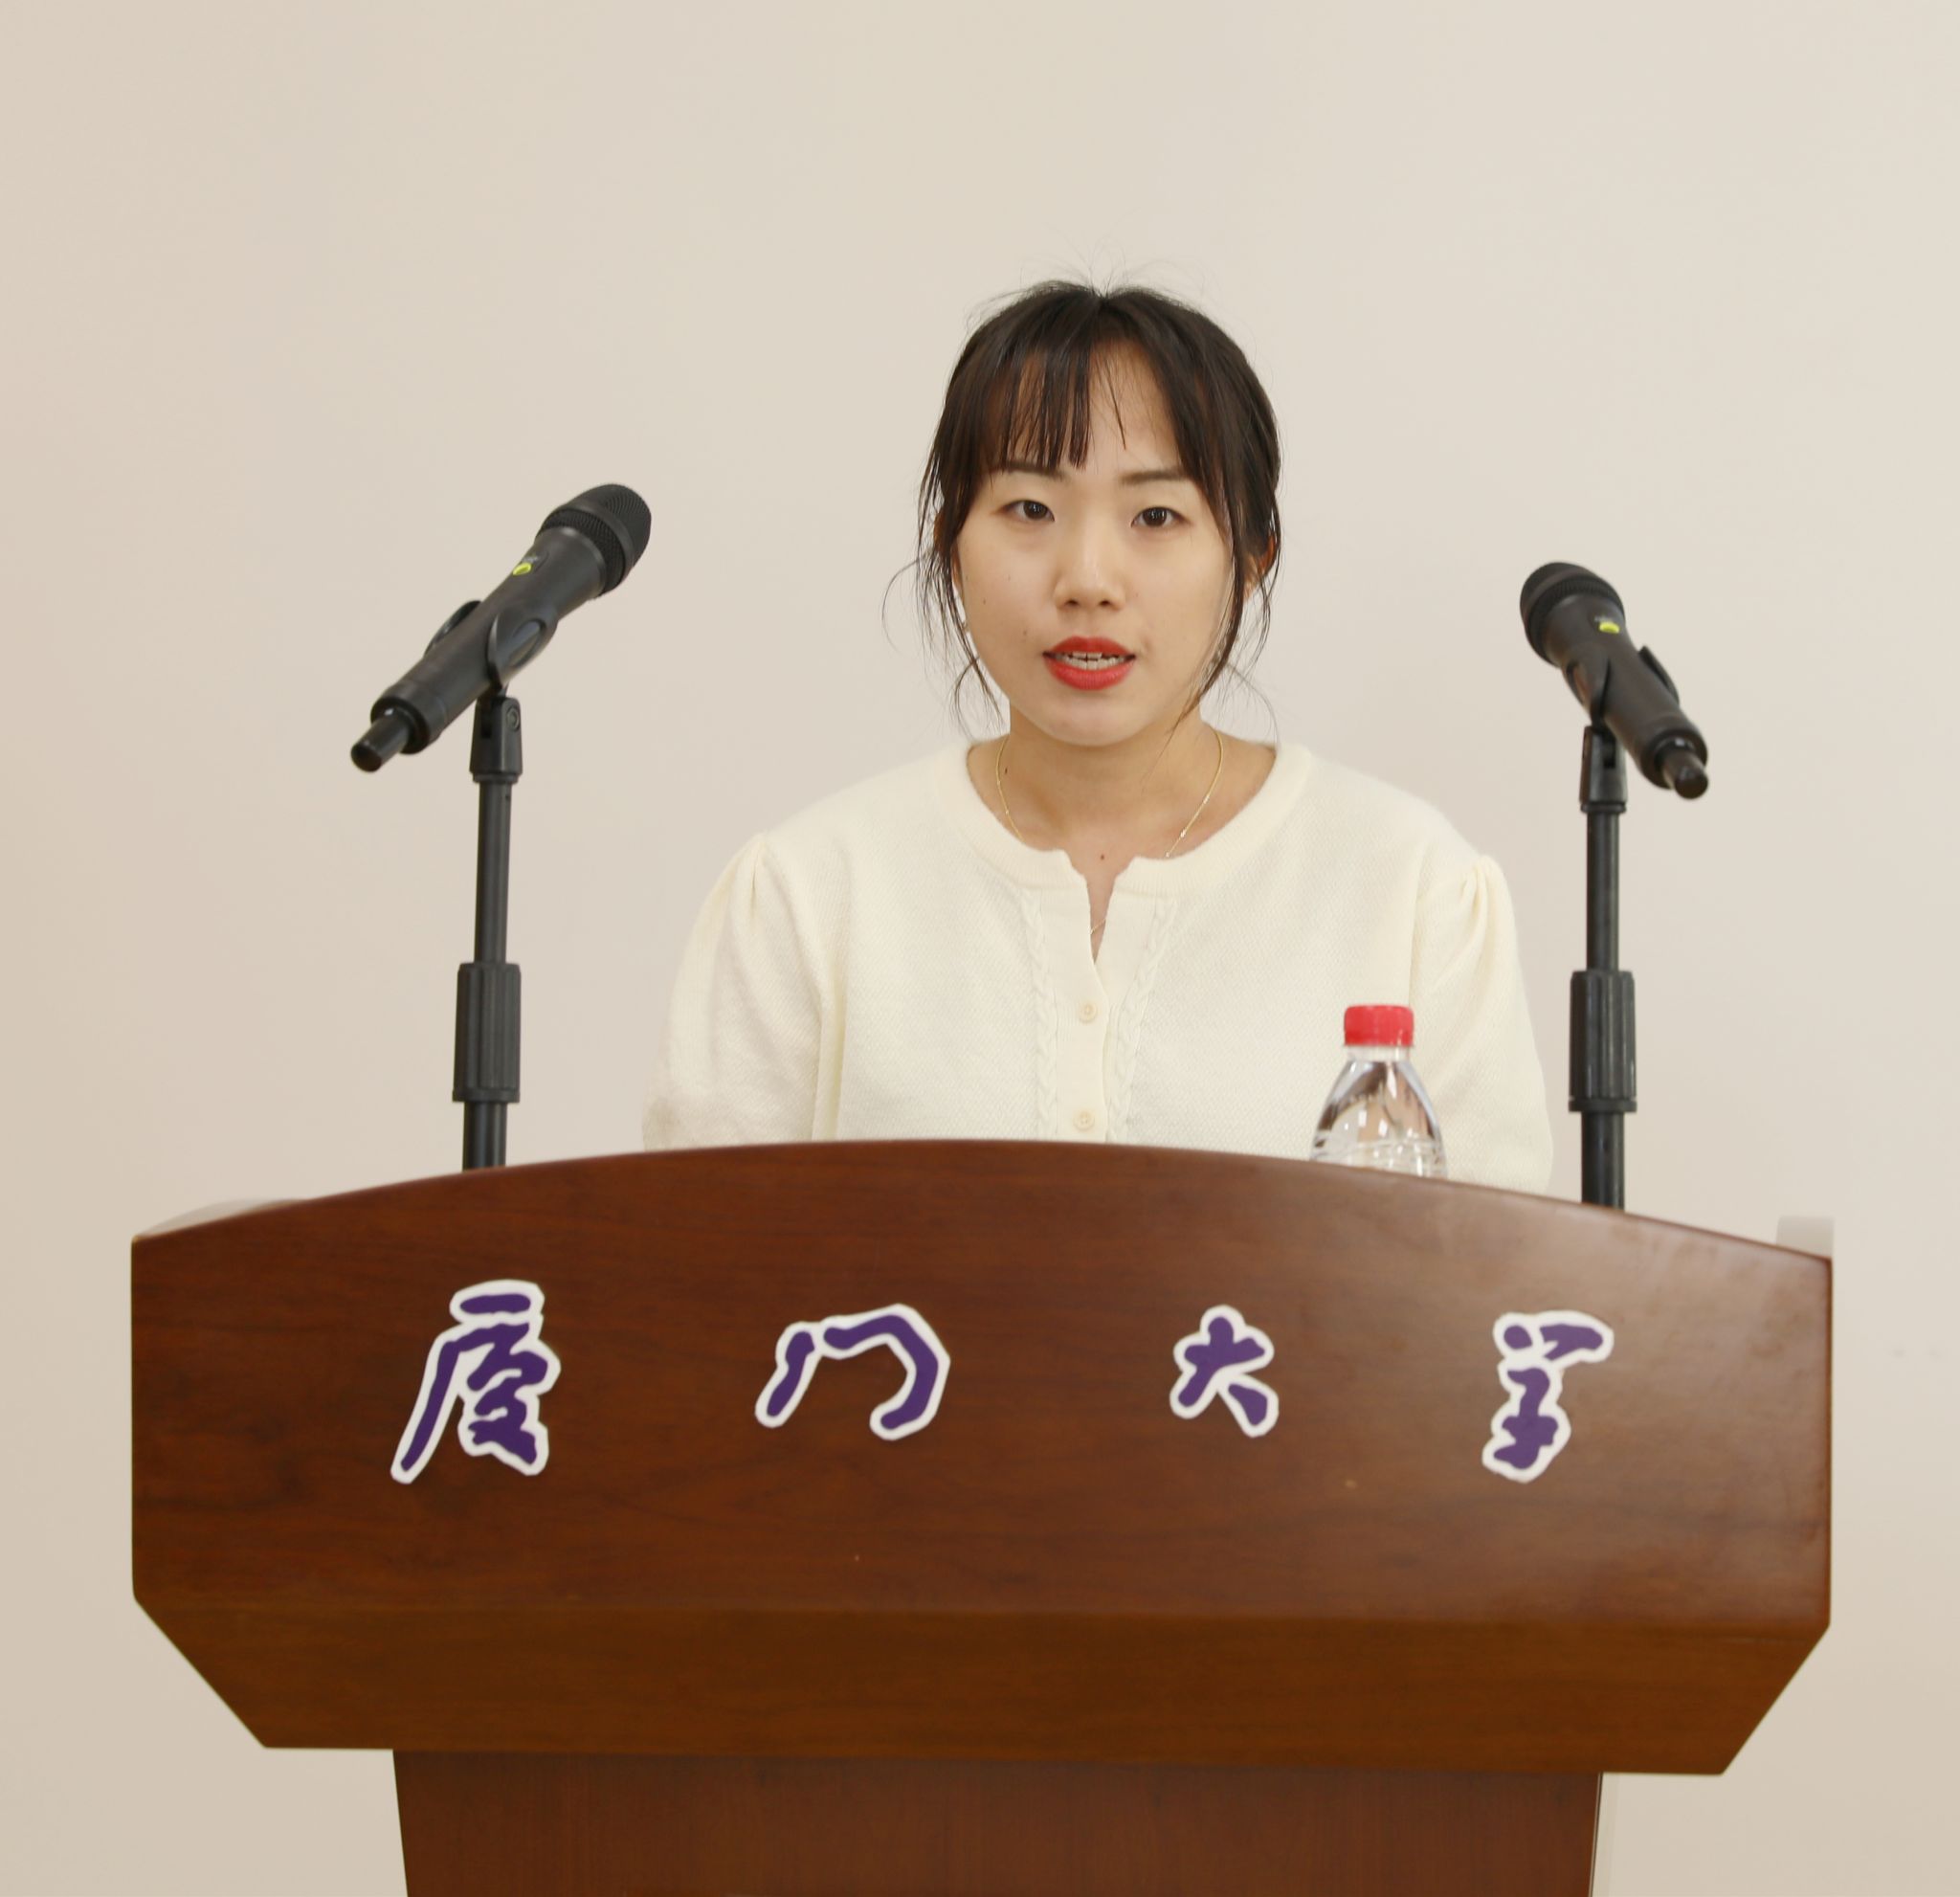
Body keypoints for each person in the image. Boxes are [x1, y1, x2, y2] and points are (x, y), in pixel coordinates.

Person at [641, 279, 1555, 1193]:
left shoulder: (1411, 889)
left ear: (1250, 557)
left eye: (1156, 517)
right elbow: (692, 1256)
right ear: (950, 543)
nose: (1087, 579)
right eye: (1029, 510)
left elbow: (1495, 1270)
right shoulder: (811, 896)